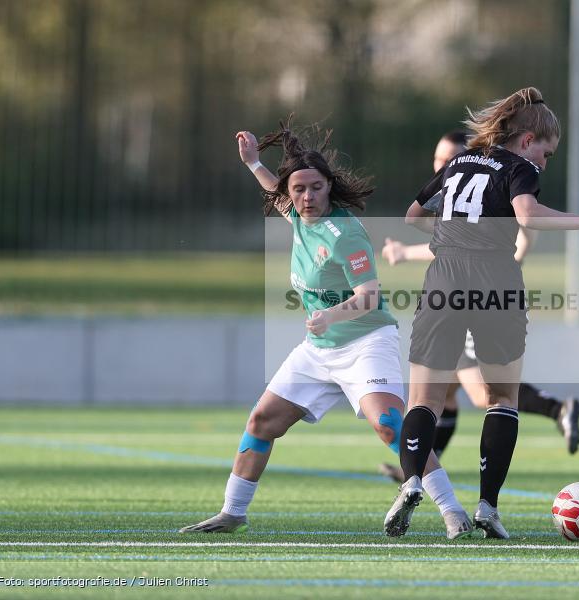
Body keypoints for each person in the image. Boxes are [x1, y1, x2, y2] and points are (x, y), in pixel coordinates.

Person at [179, 118, 473, 540]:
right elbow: (272, 188)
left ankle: (452, 511)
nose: (307, 196)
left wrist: (330, 316)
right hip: (318, 349)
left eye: (315, 187)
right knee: (261, 422)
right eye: (298, 189)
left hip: (366, 341)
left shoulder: (345, 234)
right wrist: (252, 163)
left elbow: (369, 296)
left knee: (390, 423)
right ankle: (232, 512)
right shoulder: (297, 214)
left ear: (328, 187)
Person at [384, 88, 579, 539]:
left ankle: (411, 482)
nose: (545, 163)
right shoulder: (518, 167)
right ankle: (488, 507)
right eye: (547, 152)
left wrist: (456, 230)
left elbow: (413, 214)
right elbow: (527, 217)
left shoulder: (458, 162)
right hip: (496, 280)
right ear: (527, 140)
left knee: (423, 399)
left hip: (444, 278)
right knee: (501, 398)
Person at [377, 130, 579, 486]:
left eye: (447, 160)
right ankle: (421, 467)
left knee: (481, 393)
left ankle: (556, 409)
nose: (441, 167)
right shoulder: (479, 189)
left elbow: (478, 242)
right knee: (449, 395)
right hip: (470, 296)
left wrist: (404, 253)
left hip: (483, 302)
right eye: (437, 161)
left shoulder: (491, 184)